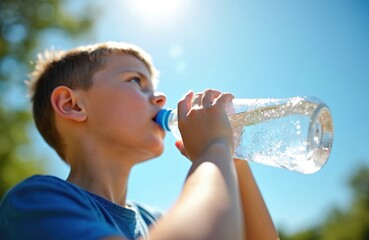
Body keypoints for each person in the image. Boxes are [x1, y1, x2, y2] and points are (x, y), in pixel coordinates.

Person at [0, 41, 279, 240]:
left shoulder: (153, 221)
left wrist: (232, 156)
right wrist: (213, 149)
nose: (160, 98)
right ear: (71, 105)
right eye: (136, 81)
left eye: (155, 88)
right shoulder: (35, 201)